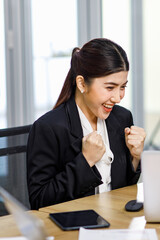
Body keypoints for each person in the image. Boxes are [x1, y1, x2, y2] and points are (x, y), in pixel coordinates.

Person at [27, 38, 146, 210]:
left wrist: (135, 158)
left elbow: (122, 189)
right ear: (82, 83)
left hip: (116, 224)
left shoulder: (122, 118)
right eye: (110, 87)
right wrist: (85, 160)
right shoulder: (48, 128)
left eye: (123, 87)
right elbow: (39, 200)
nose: (118, 97)